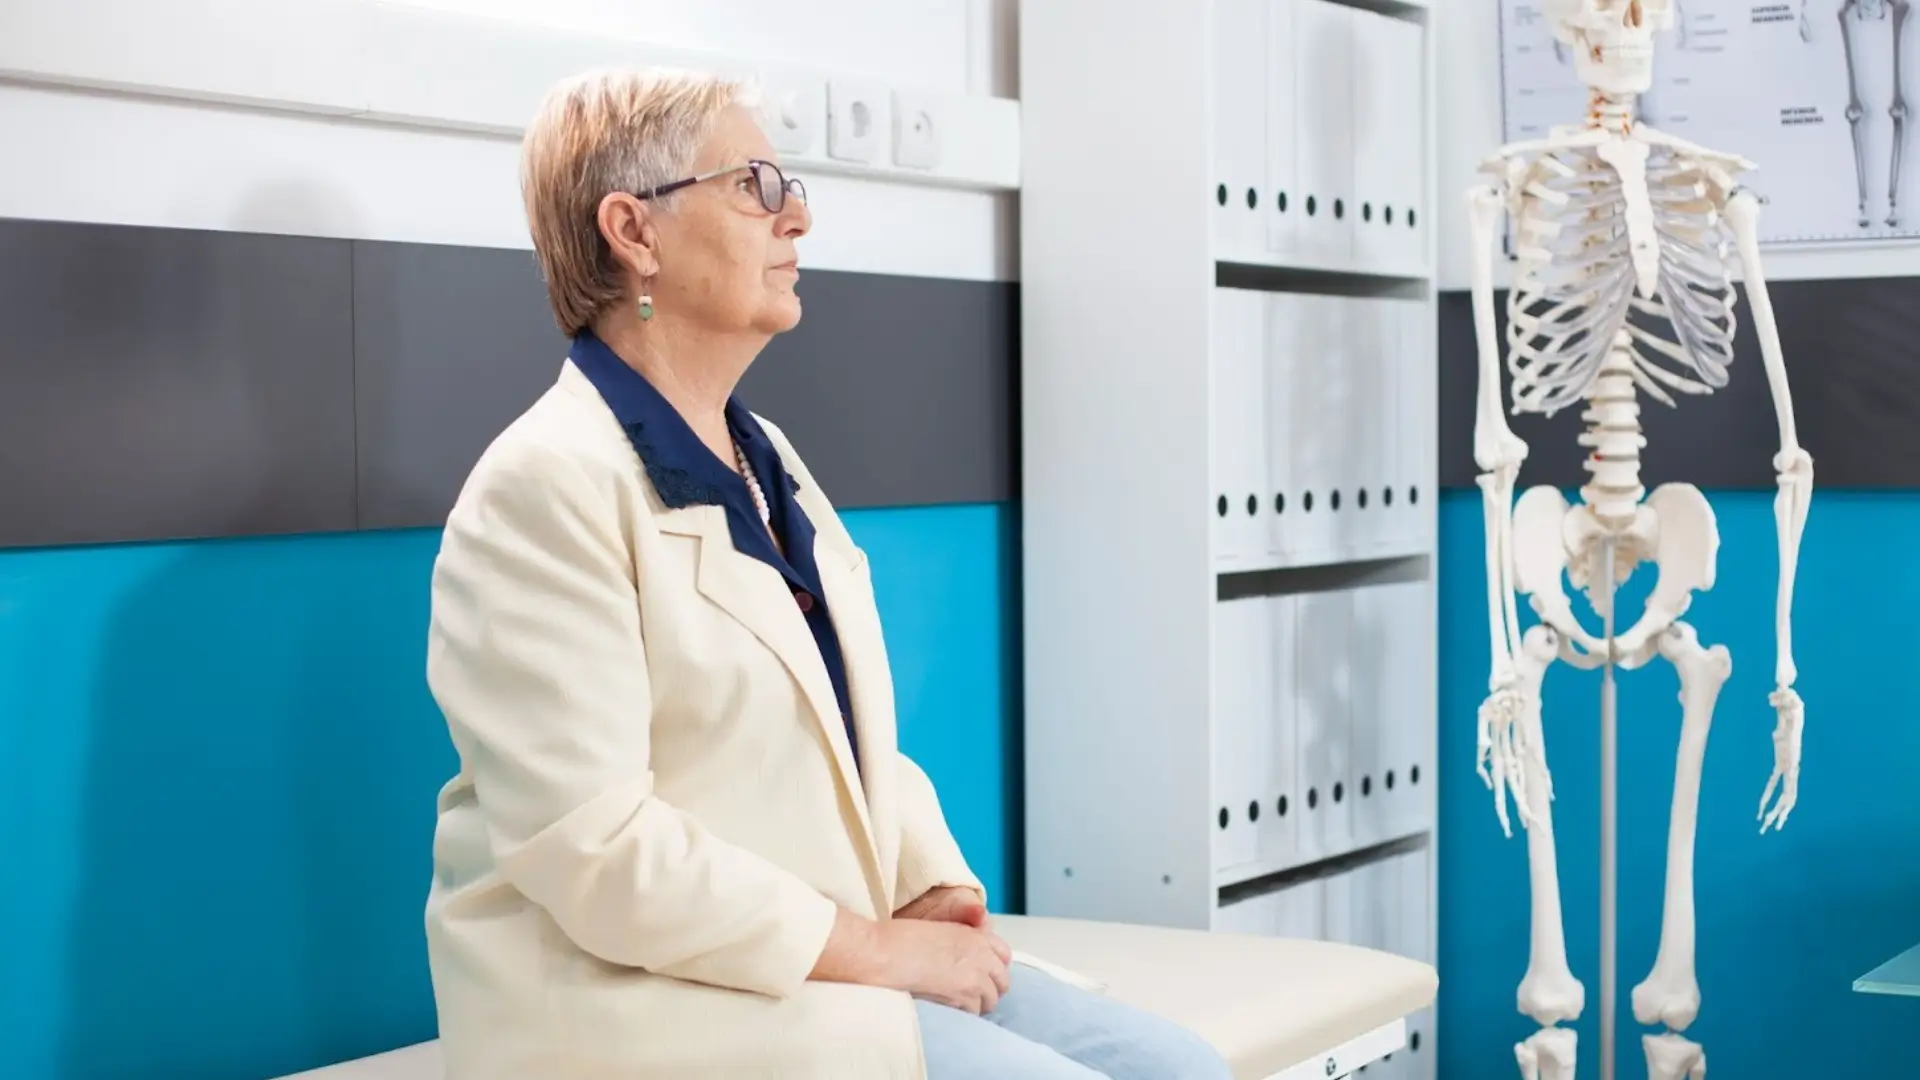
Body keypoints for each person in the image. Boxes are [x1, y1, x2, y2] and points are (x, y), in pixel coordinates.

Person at [420, 66, 1235, 1080]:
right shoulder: (541, 488)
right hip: (634, 1005)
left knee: (1183, 1068)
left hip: (798, 964)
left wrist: (930, 884)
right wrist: (884, 952)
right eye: (753, 185)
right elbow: (595, 848)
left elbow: (839, 736)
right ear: (635, 232)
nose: (796, 216)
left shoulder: (764, 458)